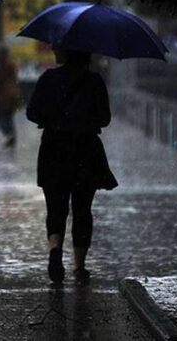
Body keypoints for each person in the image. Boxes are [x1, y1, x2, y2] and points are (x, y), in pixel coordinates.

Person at [26, 49, 114, 284]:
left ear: (66, 52)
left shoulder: (48, 78)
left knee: (56, 207)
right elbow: (105, 118)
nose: (53, 49)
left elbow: (31, 113)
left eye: (58, 47)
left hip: (54, 149)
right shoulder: (95, 81)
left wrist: (53, 118)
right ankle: (79, 266)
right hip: (86, 150)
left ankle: (55, 248)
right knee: (82, 210)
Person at [0, 45, 22, 148]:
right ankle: (11, 137)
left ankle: (10, 135)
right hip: (12, 94)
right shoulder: (9, 63)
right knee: (8, 117)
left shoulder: (5, 64)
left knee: (0, 116)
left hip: (6, 95)